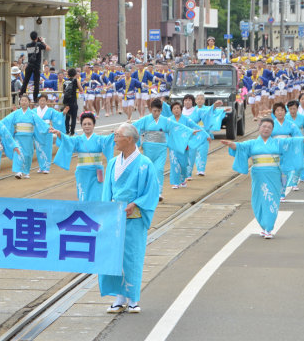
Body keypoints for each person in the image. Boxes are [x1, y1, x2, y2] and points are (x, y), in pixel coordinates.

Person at [221, 118, 304, 239]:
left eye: (269, 127)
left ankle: (268, 228)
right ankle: (263, 225)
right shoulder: (252, 143)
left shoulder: (278, 142)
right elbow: (240, 147)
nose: (266, 129)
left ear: (272, 130)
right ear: (259, 127)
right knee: (258, 200)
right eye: (264, 126)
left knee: (272, 199)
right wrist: (231, 144)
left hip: (273, 174)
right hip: (258, 175)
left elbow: (292, 141)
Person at [99, 123, 159, 313]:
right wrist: (105, 211)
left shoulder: (145, 164)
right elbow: (106, 191)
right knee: (114, 256)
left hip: (134, 215)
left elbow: (152, 191)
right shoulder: (112, 162)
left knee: (132, 256)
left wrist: (136, 203)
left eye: (117, 135)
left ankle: (133, 298)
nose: (114, 138)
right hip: (115, 215)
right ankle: (119, 296)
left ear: (129, 139)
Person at [133, 98, 200, 200]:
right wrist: (120, 130)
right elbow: (134, 126)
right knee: (147, 170)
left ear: (161, 110)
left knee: (159, 170)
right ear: (151, 109)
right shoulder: (145, 119)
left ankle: (159, 192)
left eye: (158, 111)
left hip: (161, 149)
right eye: (154, 111)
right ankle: (147, 192)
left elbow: (177, 126)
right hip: (148, 149)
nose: (156, 113)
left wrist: (190, 131)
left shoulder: (165, 120)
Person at [50, 112, 115, 202]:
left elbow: (109, 140)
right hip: (82, 171)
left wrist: (116, 134)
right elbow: (68, 140)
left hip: (96, 172)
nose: (87, 126)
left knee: (97, 194)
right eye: (84, 124)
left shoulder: (99, 139)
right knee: (83, 195)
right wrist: (59, 134)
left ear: (94, 125)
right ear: (81, 126)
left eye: (89, 124)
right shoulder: (78, 139)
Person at [1, 95, 50, 179]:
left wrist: (48, 128)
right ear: (19, 102)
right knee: (18, 153)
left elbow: (40, 123)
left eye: (25, 100)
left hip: (28, 138)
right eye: (22, 100)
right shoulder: (15, 113)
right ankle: (18, 171)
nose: (23, 102)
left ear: (29, 102)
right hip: (18, 137)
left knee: (27, 155)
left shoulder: (32, 114)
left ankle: (26, 171)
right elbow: (6, 121)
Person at [167, 102, 209, 189]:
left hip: (184, 145)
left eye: (178, 108)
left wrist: (206, 135)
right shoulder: (169, 120)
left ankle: (183, 180)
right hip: (173, 146)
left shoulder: (186, 119)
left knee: (183, 164)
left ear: (181, 109)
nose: (176, 110)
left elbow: (196, 126)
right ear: (171, 110)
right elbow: (164, 130)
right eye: (174, 108)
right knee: (174, 163)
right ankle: (175, 182)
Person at [34, 94, 68, 173]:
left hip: (47, 131)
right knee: (39, 149)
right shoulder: (34, 111)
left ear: (47, 101)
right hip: (38, 131)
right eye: (41, 100)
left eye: (44, 100)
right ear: (38, 101)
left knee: (47, 148)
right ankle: (41, 166)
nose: (42, 102)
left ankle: (46, 167)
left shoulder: (50, 110)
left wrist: (63, 113)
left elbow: (58, 116)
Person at [19, 31, 51, 102]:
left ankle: (21, 95)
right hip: (36, 66)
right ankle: (35, 99)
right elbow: (48, 48)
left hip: (29, 65)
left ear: (30, 37)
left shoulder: (28, 45)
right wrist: (42, 41)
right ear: (37, 37)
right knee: (36, 83)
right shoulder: (39, 44)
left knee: (25, 81)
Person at [62, 68, 83, 135]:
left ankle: (67, 131)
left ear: (68, 74)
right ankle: (72, 132)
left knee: (67, 117)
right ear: (75, 74)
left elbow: (63, 91)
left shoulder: (64, 82)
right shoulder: (76, 80)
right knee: (73, 117)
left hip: (66, 101)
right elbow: (81, 89)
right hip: (73, 101)